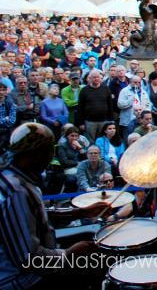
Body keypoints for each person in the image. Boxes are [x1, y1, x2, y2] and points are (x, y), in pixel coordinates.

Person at [0, 123, 107, 288]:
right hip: (22, 280)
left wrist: (78, 213)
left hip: (30, 267)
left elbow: (32, 217)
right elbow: (29, 259)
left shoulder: (14, 176)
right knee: (98, 262)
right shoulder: (17, 192)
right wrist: (69, 254)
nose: (51, 157)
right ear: (38, 154)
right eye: (50, 151)